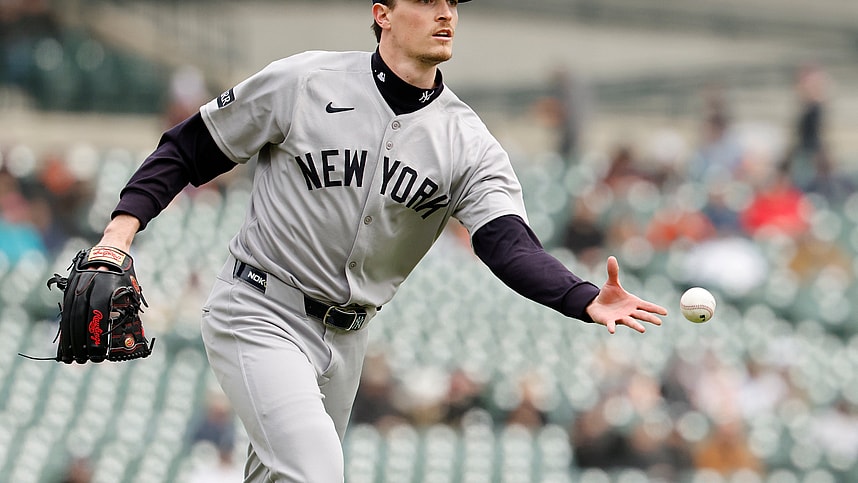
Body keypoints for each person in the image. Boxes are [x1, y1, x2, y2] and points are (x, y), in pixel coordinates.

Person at [95, 1, 667, 481]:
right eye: (426, 0)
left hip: (348, 340)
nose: (446, 13)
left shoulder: (467, 141)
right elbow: (188, 148)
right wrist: (118, 236)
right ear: (383, 15)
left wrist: (581, 295)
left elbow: (506, 243)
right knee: (318, 472)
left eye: (452, 3)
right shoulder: (304, 82)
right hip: (258, 309)